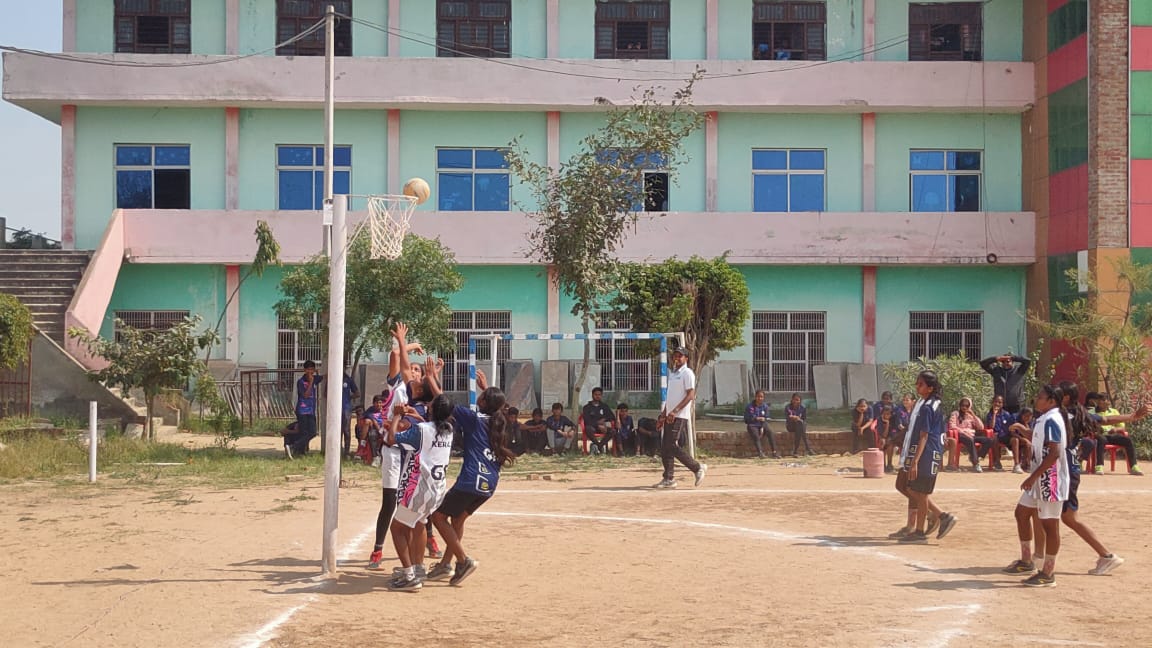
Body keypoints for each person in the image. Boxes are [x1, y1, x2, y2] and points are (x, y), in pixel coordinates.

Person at [426, 369, 516, 586]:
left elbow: (444, 404)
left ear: (483, 402)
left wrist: (431, 378)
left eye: (482, 397)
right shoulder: (498, 421)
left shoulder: (475, 419)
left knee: (438, 517)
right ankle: (445, 565)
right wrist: (486, 389)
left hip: (471, 480)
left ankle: (463, 560)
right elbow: (499, 408)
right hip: (489, 483)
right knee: (457, 519)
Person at [1056, 381, 1132, 576]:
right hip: (1068, 469)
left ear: (1065, 397)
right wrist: (1132, 416)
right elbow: (1106, 420)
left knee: (1067, 518)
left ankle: (1106, 555)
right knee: (1045, 513)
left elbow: (1106, 421)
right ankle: (1035, 558)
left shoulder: (1065, 415)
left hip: (1065, 471)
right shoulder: (1078, 413)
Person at [384, 393, 455, 592]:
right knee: (420, 523)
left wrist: (397, 416)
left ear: (431, 410)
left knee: (397, 528)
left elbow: (391, 439)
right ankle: (417, 568)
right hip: (437, 490)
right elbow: (429, 432)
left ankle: (409, 577)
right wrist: (417, 417)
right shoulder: (448, 430)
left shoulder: (422, 430)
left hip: (419, 491)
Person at [1004, 384, 1070, 587]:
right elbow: (1041, 441)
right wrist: (1025, 431)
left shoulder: (1052, 419)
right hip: (1040, 477)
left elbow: (1054, 453)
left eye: (1040, 397)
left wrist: (1032, 478)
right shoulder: (1044, 418)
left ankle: (1048, 573)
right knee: (1022, 513)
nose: (1036, 399)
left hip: (1050, 479)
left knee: (1050, 525)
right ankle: (1026, 561)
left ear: (1051, 401)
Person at [892, 370, 958, 544]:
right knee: (914, 489)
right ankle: (930, 520)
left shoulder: (929, 407)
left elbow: (924, 435)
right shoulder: (926, 402)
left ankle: (935, 520)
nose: (916, 386)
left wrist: (914, 461)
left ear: (930, 388)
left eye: (920, 384)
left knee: (919, 491)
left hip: (926, 452)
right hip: (922, 451)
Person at [653, 347, 707, 489]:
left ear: (686, 359)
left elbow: (690, 395)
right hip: (670, 415)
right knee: (665, 446)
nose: (677, 358)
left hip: (680, 415)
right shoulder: (673, 374)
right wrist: (663, 415)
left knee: (671, 445)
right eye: (675, 356)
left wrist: (676, 411)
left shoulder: (687, 373)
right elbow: (670, 397)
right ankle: (668, 479)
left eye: (680, 356)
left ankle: (697, 468)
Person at [1087, 392, 1143, 476]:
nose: (1101, 402)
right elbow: (1088, 426)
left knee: (1128, 440)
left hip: (1112, 435)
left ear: (1108, 402)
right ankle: (1099, 466)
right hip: (1099, 435)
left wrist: (1116, 429)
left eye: (1103, 400)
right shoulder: (1091, 412)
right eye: (1099, 400)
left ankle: (1133, 466)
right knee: (1101, 439)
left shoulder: (1114, 411)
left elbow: (1122, 427)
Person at [287, 360, 323, 458]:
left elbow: (325, 377)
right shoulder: (301, 382)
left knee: (312, 432)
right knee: (303, 432)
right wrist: (311, 382)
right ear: (305, 370)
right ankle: (298, 451)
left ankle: (294, 447)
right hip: (302, 411)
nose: (310, 372)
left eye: (312, 369)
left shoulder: (315, 379)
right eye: (308, 369)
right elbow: (306, 395)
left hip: (311, 411)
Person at [947, 397, 991, 472]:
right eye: (962, 405)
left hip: (971, 435)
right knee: (970, 440)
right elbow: (952, 426)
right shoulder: (955, 414)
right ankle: (976, 463)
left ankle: (976, 456)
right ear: (960, 406)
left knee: (989, 440)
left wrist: (973, 415)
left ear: (969, 407)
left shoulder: (970, 416)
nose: (964, 407)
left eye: (966, 406)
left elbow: (981, 427)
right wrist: (963, 431)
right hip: (960, 435)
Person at [744, 390, 778, 459]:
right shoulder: (750, 406)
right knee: (756, 435)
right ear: (755, 397)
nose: (760, 398)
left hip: (762, 424)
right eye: (758, 396)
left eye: (761, 397)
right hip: (752, 425)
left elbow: (766, 417)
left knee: (770, 432)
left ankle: (774, 452)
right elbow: (747, 419)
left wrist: (762, 427)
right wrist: (757, 418)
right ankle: (760, 453)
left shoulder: (765, 407)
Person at [581, 387, 616, 455]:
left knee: (613, 431)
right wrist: (597, 424)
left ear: (601, 395)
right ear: (592, 395)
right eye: (596, 394)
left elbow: (612, 417)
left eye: (599, 394)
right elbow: (587, 420)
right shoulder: (587, 407)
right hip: (592, 427)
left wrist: (604, 419)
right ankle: (600, 447)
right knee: (588, 428)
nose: (597, 396)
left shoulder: (604, 406)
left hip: (603, 428)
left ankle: (598, 446)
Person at [984, 395, 1015, 472]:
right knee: (994, 437)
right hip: (996, 436)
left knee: (1015, 440)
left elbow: (1011, 427)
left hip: (1005, 436)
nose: (997, 404)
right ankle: (997, 461)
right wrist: (994, 414)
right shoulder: (990, 414)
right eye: (996, 402)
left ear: (1002, 404)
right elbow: (991, 427)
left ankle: (1017, 464)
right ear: (992, 402)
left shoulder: (1007, 414)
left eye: (1000, 402)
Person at [875, 404, 904, 473]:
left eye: (889, 414)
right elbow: (883, 435)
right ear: (882, 414)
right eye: (885, 414)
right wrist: (887, 423)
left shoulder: (893, 419)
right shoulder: (879, 420)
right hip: (883, 437)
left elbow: (895, 432)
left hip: (893, 437)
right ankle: (883, 464)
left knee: (889, 443)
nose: (887, 416)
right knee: (884, 443)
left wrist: (891, 439)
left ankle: (889, 464)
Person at [1006, 408, 1034, 474]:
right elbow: (1011, 432)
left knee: (1028, 443)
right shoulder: (1014, 418)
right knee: (1016, 440)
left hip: (1023, 439)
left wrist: (1026, 424)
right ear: (1021, 415)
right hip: (1009, 437)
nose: (1028, 418)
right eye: (1026, 416)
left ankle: (1027, 464)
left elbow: (1030, 434)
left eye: (1030, 416)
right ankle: (1016, 465)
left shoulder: (1031, 421)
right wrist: (1023, 439)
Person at [340, 368, 360, 459]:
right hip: (335, 409)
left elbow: (357, 393)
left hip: (346, 409)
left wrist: (348, 397)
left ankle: (347, 452)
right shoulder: (333, 378)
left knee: (346, 430)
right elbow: (325, 393)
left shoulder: (348, 379)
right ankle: (337, 450)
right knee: (337, 431)